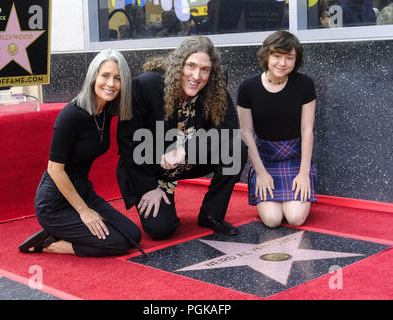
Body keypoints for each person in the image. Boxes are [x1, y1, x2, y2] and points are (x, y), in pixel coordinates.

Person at [116, 36, 247, 240]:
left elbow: (229, 131)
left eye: (204, 69)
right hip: (152, 168)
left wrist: (185, 150)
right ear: (179, 65)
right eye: (191, 66)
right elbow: (127, 141)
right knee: (161, 230)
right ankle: (159, 197)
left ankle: (211, 215)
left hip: (186, 159)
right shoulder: (146, 85)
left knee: (236, 149)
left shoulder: (215, 87)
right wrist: (148, 188)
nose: (197, 75)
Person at [19, 49, 142, 257]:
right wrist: (84, 212)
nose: (111, 84)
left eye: (117, 78)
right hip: (55, 204)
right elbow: (55, 170)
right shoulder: (71, 115)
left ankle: (67, 233)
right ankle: (53, 244)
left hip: (84, 193)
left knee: (133, 235)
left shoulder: (106, 112)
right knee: (118, 244)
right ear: (94, 76)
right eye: (105, 76)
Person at [237, 30, 317, 228]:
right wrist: (261, 173)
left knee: (295, 218)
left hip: (295, 158)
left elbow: (307, 130)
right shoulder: (248, 87)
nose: (282, 63)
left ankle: (294, 194)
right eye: (277, 56)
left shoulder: (304, 85)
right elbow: (246, 133)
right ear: (267, 55)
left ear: (296, 59)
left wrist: (304, 173)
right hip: (265, 159)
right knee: (272, 220)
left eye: (289, 58)